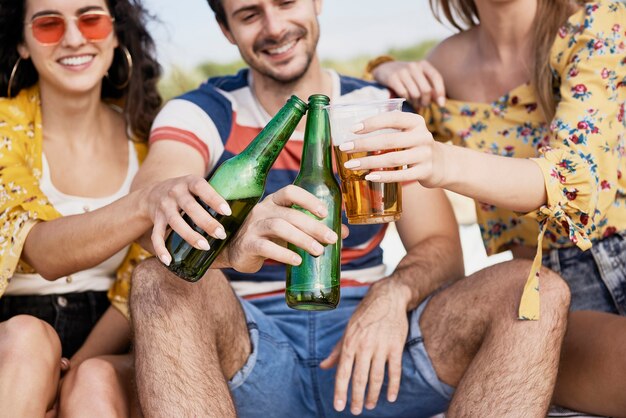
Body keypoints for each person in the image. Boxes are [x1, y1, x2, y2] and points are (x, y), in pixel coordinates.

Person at [123, 0, 576, 417]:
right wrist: (238, 237)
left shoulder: (372, 108)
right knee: (157, 281)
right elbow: (153, 207)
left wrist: (392, 295)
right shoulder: (202, 111)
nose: (275, 26)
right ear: (226, 30)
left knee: (535, 290)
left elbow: (441, 247)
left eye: (285, 2)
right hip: (250, 347)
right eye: (249, 14)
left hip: (379, 350)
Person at [358, 0, 626, 414]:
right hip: (542, 292)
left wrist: (441, 160)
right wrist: (383, 73)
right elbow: (366, 112)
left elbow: (573, 181)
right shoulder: (443, 65)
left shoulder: (596, 24)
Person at [0, 0, 161, 415]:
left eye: (90, 19)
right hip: (11, 337)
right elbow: (39, 250)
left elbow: (137, 284)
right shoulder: (2, 127)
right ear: (22, 43)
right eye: (48, 25)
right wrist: (143, 206)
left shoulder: (148, 141)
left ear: (114, 32)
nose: (73, 38)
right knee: (28, 340)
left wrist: (77, 369)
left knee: (93, 383)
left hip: (110, 334)